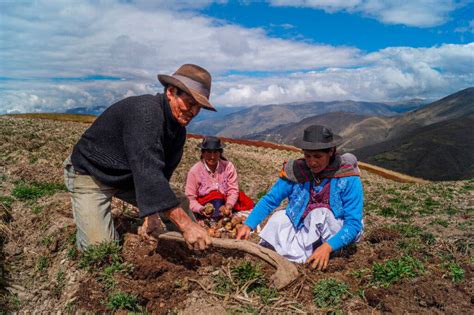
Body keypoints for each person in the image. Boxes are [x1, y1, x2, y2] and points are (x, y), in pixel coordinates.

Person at [63, 64, 214, 251]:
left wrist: (151, 215)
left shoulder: (177, 133)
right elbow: (149, 175)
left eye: (198, 108)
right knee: (100, 249)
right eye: (190, 103)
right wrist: (186, 225)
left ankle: (192, 249)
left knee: (179, 201)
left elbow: (160, 176)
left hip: (129, 177)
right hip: (90, 173)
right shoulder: (146, 114)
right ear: (171, 92)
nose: (193, 112)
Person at [236, 125, 364, 270]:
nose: (312, 162)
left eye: (318, 157)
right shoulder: (297, 171)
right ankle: (304, 252)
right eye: (307, 156)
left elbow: (353, 223)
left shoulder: (347, 175)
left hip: (338, 228)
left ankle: (332, 251)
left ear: (331, 152)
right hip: (305, 226)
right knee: (280, 218)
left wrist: (328, 247)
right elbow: (271, 199)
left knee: (320, 213)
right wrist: (248, 224)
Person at [185, 136, 254, 223]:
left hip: (226, 203)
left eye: (215, 152)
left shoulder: (228, 167)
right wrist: (202, 209)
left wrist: (229, 206)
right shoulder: (195, 171)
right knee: (215, 196)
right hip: (205, 205)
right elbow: (190, 198)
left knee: (244, 200)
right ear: (202, 153)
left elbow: (233, 190)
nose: (212, 156)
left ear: (220, 153)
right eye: (209, 152)